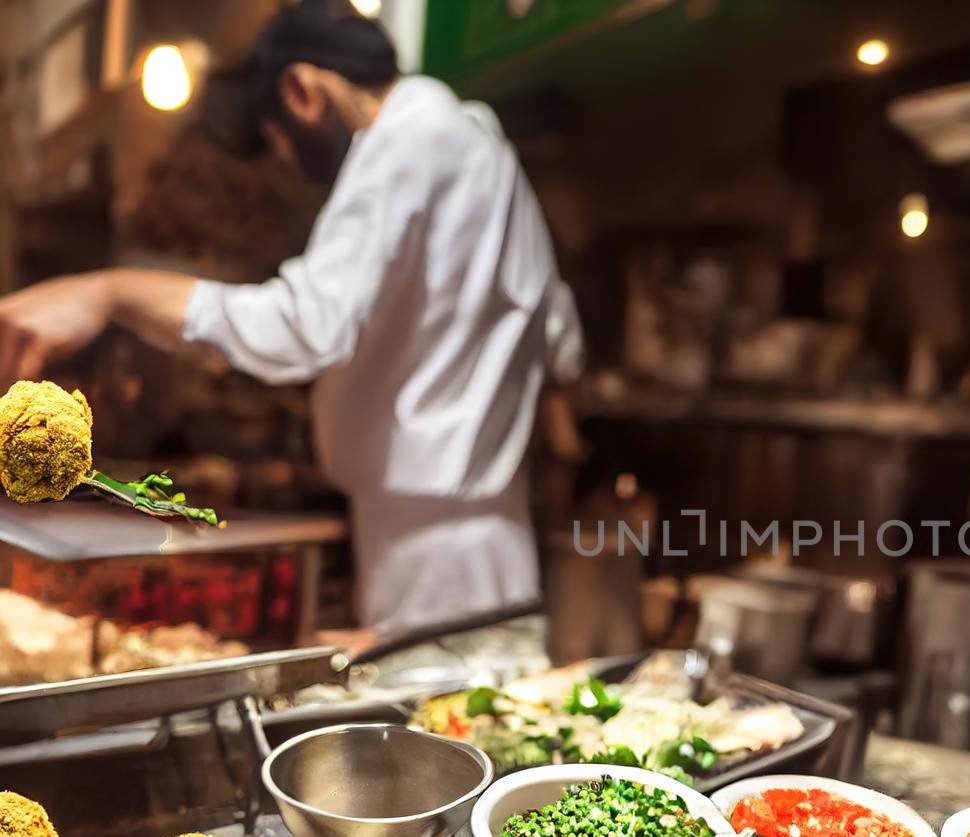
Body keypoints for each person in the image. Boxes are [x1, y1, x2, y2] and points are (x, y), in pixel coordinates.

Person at [0, 0, 584, 638]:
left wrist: (112, 293)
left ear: (302, 90)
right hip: (491, 544)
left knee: (448, 721)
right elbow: (563, 344)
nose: (287, 162)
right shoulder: (483, 148)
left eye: (278, 142)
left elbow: (307, 327)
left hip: (432, 560)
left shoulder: (407, 141)